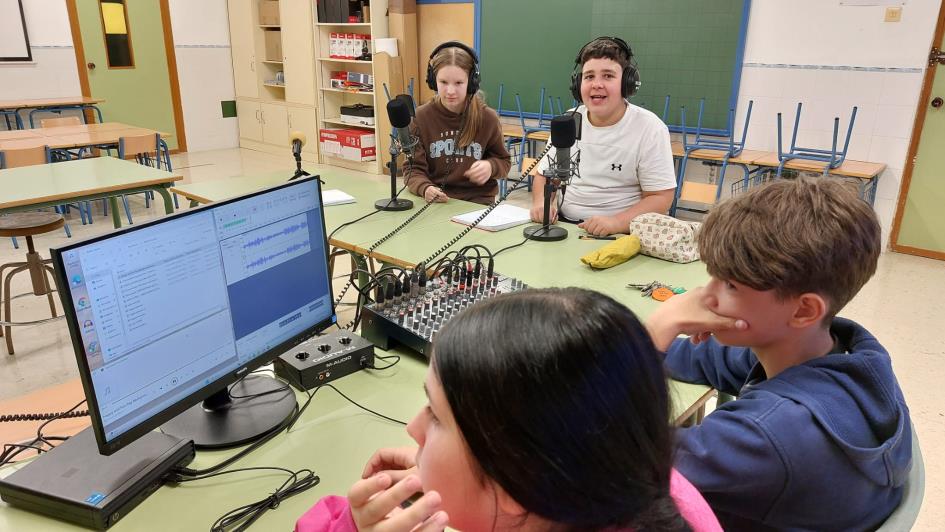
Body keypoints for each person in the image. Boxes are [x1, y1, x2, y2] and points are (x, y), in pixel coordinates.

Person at [297, 288, 722, 531]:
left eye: (437, 416)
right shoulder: (645, 484)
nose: (413, 428)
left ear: (518, 482)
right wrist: (464, 473)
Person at [645, 177, 913, 531]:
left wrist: (659, 327)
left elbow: (619, 458)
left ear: (804, 310)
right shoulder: (841, 353)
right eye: (712, 276)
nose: (704, 296)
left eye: (730, 285)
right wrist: (641, 348)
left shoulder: (767, 435)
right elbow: (703, 358)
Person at [530, 36, 676, 236]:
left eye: (608, 76)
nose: (596, 84)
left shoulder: (650, 128)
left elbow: (661, 197)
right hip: (566, 228)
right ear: (578, 85)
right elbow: (545, 176)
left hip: (622, 233)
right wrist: (541, 204)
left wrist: (616, 223)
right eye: (589, 76)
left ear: (627, 84)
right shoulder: (570, 120)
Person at [404, 41, 512, 206]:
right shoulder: (421, 117)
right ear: (433, 81)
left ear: (472, 82)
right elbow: (412, 169)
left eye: (459, 83)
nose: (450, 91)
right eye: (443, 82)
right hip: (437, 203)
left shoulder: (487, 118)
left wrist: (491, 167)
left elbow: (504, 161)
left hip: (478, 203)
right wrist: (425, 188)